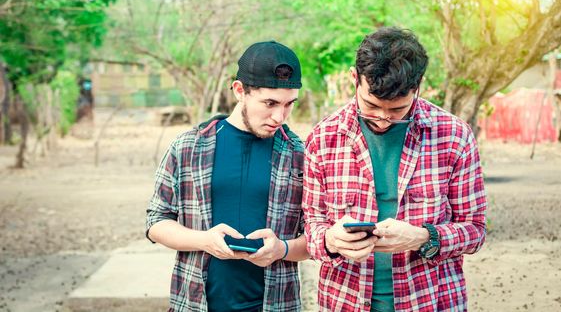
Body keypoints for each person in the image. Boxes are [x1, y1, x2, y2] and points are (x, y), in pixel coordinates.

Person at [302, 27, 487, 311]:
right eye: (371, 105)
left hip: (431, 302)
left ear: (418, 87)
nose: (384, 119)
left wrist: (424, 237)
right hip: (344, 301)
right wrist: (329, 240)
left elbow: (475, 231)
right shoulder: (322, 138)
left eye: (397, 110)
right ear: (355, 78)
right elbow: (312, 224)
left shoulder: (454, 136)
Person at [146, 41, 309, 312]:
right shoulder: (187, 146)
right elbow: (156, 221)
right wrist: (204, 241)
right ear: (239, 90)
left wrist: (280, 249)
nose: (279, 116)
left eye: (289, 104)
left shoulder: (299, 154)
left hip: (276, 304)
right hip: (196, 304)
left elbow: (316, 237)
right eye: (269, 103)